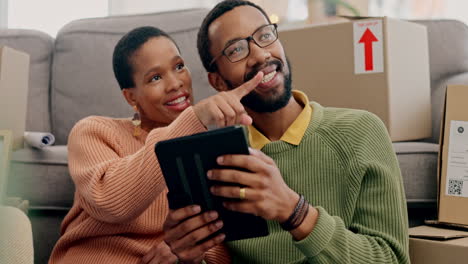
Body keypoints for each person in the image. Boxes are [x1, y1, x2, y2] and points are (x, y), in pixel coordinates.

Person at [162, 0, 410, 263]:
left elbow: (390, 258)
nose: (260, 55)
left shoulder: (361, 131)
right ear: (218, 81)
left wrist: (294, 211)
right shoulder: (218, 161)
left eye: (265, 36)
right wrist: (188, 257)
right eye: (236, 50)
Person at [48, 26, 265, 264]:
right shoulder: (94, 131)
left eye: (179, 66)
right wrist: (194, 119)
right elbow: (110, 202)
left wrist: (190, 256)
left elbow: (219, 246)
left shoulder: (205, 150)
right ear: (131, 97)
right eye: (155, 78)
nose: (175, 84)